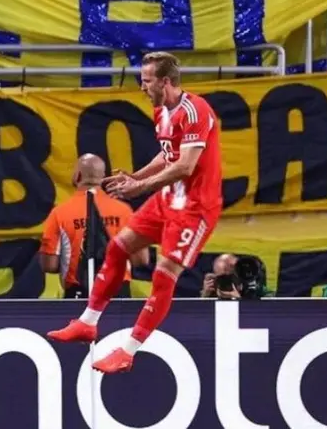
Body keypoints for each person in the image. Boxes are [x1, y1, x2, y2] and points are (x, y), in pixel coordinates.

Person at [47, 52, 222, 375]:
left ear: (165, 82)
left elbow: (186, 165)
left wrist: (140, 188)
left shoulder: (195, 111)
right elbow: (168, 154)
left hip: (195, 208)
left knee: (163, 274)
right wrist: (136, 177)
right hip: (168, 198)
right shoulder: (162, 111)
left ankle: (128, 350)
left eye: (147, 80)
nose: (142, 86)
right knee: (118, 247)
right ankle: (87, 322)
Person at [38, 154, 146, 298]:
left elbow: (49, 265)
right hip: (117, 292)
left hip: (77, 292)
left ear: (78, 176)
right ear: (103, 177)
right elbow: (140, 260)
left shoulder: (59, 213)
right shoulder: (124, 211)